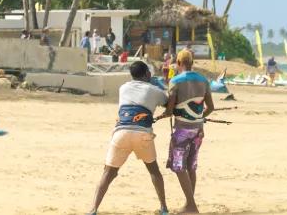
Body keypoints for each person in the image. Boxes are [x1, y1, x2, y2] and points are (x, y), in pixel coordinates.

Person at [88, 61, 169, 215]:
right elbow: (167, 103)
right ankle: (164, 208)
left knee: (108, 172)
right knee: (154, 171)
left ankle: (93, 209)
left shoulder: (123, 88)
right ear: (147, 74)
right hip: (143, 135)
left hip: (121, 133)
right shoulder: (154, 90)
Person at [166, 50, 214, 213]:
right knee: (191, 166)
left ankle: (191, 205)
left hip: (182, 130)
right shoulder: (203, 80)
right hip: (198, 130)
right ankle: (189, 204)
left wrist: (164, 113)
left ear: (179, 63)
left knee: (179, 166)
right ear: (192, 63)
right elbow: (210, 107)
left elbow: (169, 108)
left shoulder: (175, 81)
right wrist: (199, 118)